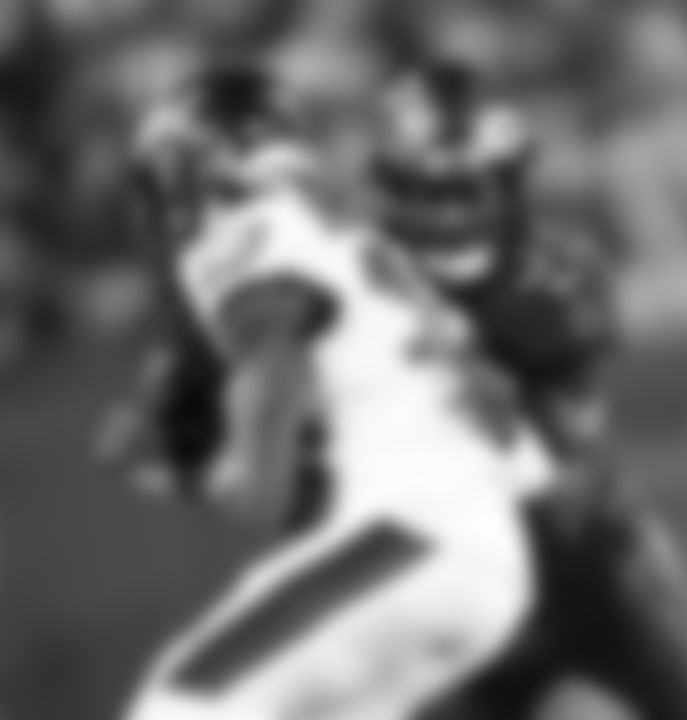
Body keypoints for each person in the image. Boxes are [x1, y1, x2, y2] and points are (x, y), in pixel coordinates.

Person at [101, 60, 553, 720]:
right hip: (486, 566)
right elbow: (521, 463)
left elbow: (273, 344)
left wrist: (252, 470)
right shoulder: (352, 237)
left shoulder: (249, 215)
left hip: (415, 537)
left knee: (183, 703)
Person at [372, 58, 687, 720]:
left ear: (504, 184)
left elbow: (568, 444)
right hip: (448, 581)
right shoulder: (356, 283)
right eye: (419, 190)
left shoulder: (554, 275)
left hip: (582, 560)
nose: (440, 213)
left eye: (459, 190)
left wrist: (467, 362)